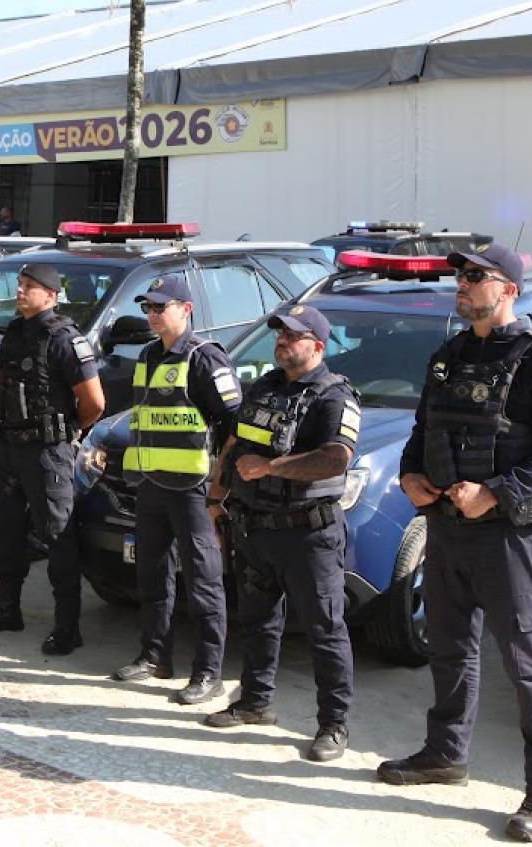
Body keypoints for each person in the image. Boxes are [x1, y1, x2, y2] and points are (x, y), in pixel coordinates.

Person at [377, 244, 532, 843]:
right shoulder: (448, 356)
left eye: (473, 277)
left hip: (509, 538)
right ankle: (445, 754)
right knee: (450, 649)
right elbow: (423, 431)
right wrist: (410, 475)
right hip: (446, 528)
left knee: (530, 666)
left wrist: (496, 491)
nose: (459, 286)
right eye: (458, 277)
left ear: (508, 290)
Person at [206, 304, 360, 763]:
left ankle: (333, 724)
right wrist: (217, 499)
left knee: (325, 630)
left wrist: (271, 467)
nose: (282, 342)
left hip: (308, 533)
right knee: (257, 621)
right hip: (255, 527)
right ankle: (255, 702)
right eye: (279, 334)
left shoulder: (335, 396)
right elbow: (234, 444)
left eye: (292, 336)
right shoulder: (266, 387)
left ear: (316, 344)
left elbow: (336, 457)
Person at [108, 274, 241, 707]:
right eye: (147, 307)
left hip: (192, 489)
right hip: (149, 486)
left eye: (160, 307)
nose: (151, 314)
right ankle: (155, 656)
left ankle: (209, 673)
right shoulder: (147, 354)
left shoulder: (205, 359)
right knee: (152, 575)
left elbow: (233, 429)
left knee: (203, 581)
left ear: (185, 309)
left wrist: (219, 490)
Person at [0, 262, 104, 653]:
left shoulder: (64, 339)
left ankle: (67, 627)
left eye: (30, 286)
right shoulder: (15, 334)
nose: (20, 292)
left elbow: (94, 402)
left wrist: (67, 432)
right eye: (20, 285)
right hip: (10, 450)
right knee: (7, 533)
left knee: (58, 538)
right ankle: (7, 608)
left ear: (51, 294)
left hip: (47, 454)